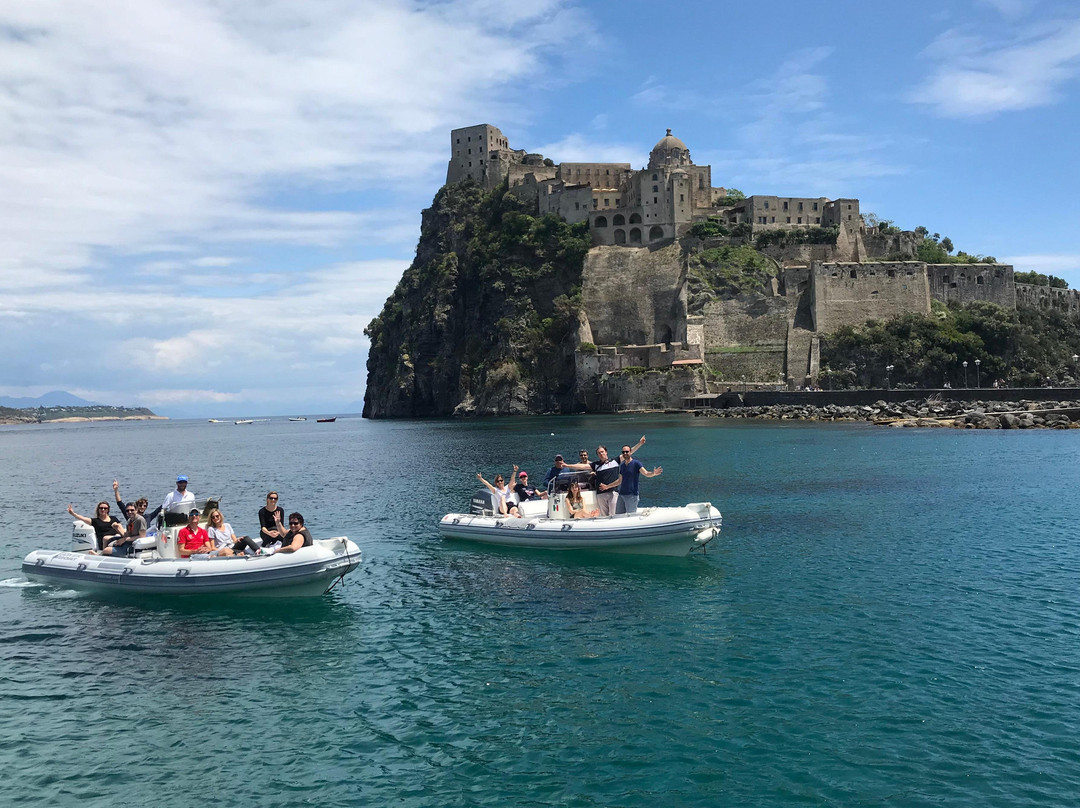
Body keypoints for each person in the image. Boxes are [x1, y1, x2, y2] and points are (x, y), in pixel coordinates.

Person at [616, 444, 663, 514]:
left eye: (627, 451)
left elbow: (646, 473)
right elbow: (620, 480)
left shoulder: (636, 463)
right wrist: (607, 486)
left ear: (630, 452)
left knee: (631, 517)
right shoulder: (622, 465)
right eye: (623, 452)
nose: (625, 453)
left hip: (632, 495)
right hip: (621, 495)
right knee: (618, 516)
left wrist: (653, 473)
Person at [589, 445, 621, 517]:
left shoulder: (615, 461)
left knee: (613, 515)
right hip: (600, 494)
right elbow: (582, 466)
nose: (601, 454)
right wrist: (567, 465)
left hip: (612, 493)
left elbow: (628, 453)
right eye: (599, 453)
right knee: (604, 516)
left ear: (606, 452)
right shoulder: (596, 465)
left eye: (602, 452)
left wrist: (640, 443)